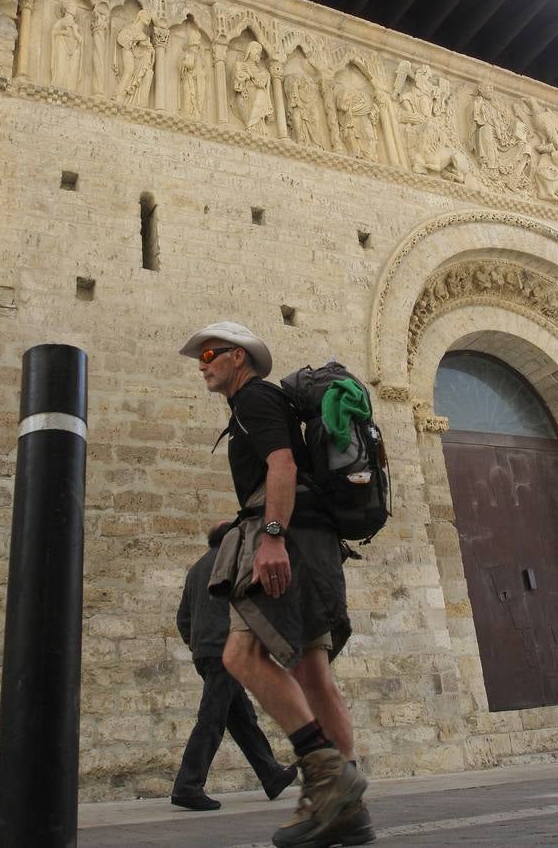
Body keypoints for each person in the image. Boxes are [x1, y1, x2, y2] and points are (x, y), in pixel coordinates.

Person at [179, 321, 374, 848]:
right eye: (200, 355)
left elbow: (282, 464)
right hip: (314, 541)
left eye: (211, 352)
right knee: (312, 673)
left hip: (292, 542)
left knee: (241, 656)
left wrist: (269, 536)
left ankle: (326, 775)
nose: (202, 362)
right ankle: (349, 810)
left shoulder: (254, 399)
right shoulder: (265, 404)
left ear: (239, 358)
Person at [173, 521, 297, 811]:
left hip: (206, 653)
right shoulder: (235, 561)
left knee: (241, 717)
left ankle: (271, 774)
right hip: (226, 650)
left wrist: (197, 645)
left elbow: (183, 619)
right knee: (212, 717)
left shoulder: (196, 569)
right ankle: (188, 785)